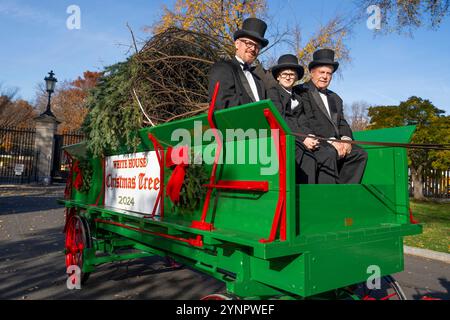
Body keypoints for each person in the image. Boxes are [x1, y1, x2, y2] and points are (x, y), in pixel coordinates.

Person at [294, 48, 368, 184]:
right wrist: (331, 141)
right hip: (315, 140)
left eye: (329, 73)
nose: (325, 76)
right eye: (322, 72)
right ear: (312, 72)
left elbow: (342, 123)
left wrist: (346, 139)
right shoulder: (300, 91)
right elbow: (305, 120)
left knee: (360, 154)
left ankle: (344, 193)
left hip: (337, 142)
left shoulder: (335, 98)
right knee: (328, 153)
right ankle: (327, 197)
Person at [267, 54, 318, 184]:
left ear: (296, 77)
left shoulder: (298, 96)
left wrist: (309, 135)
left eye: (292, 74)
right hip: (283, 136)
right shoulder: (273, 92)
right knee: (307, 157)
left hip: (299, 136)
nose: (288, 77)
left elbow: (303, 120)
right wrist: (303, 138)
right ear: (278, 76)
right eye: (285, 74)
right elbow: (281, 118)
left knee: (321, 153)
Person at [208, 18, 268, 109]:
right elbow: (222, 105)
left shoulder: (259, 82)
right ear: (237, 44)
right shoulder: (223, 68)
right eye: (249, 43)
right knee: (197, 124)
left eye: (257, 46)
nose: (253, 49)